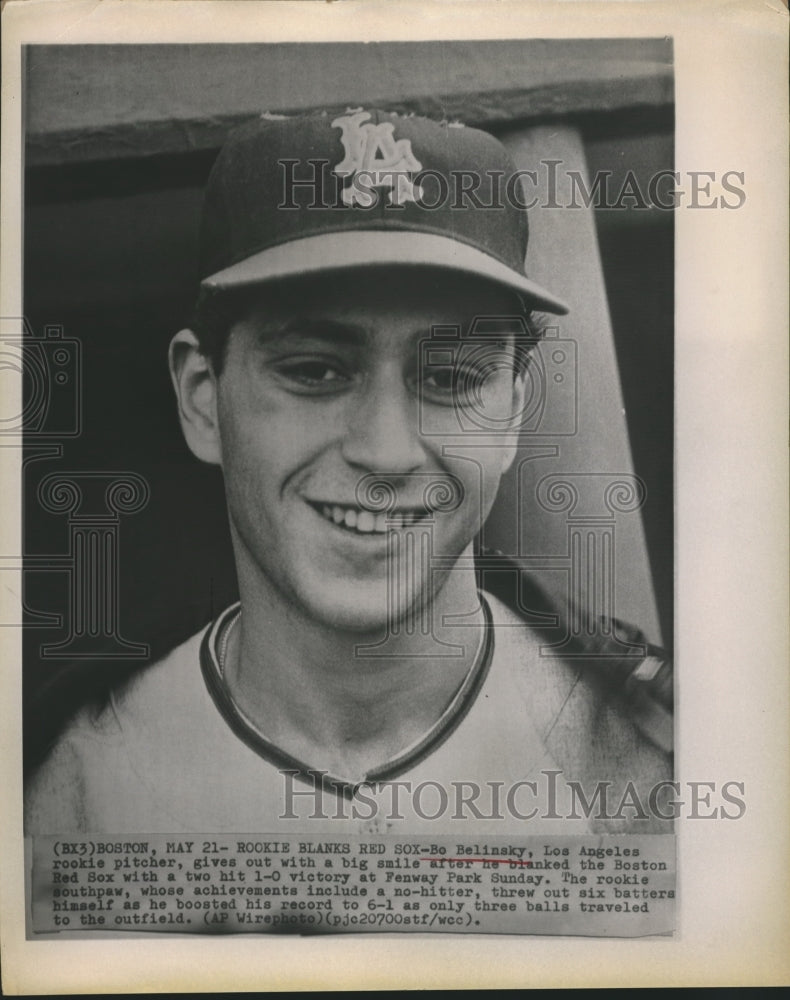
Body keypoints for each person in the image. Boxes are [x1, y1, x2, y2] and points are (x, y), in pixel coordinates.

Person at [25, 108, 672, 837]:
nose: (386, 452)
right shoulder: (68, 790)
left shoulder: (656, 760)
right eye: (315, 370)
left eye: (452, 377)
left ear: (514, 411)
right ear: (203, 399)